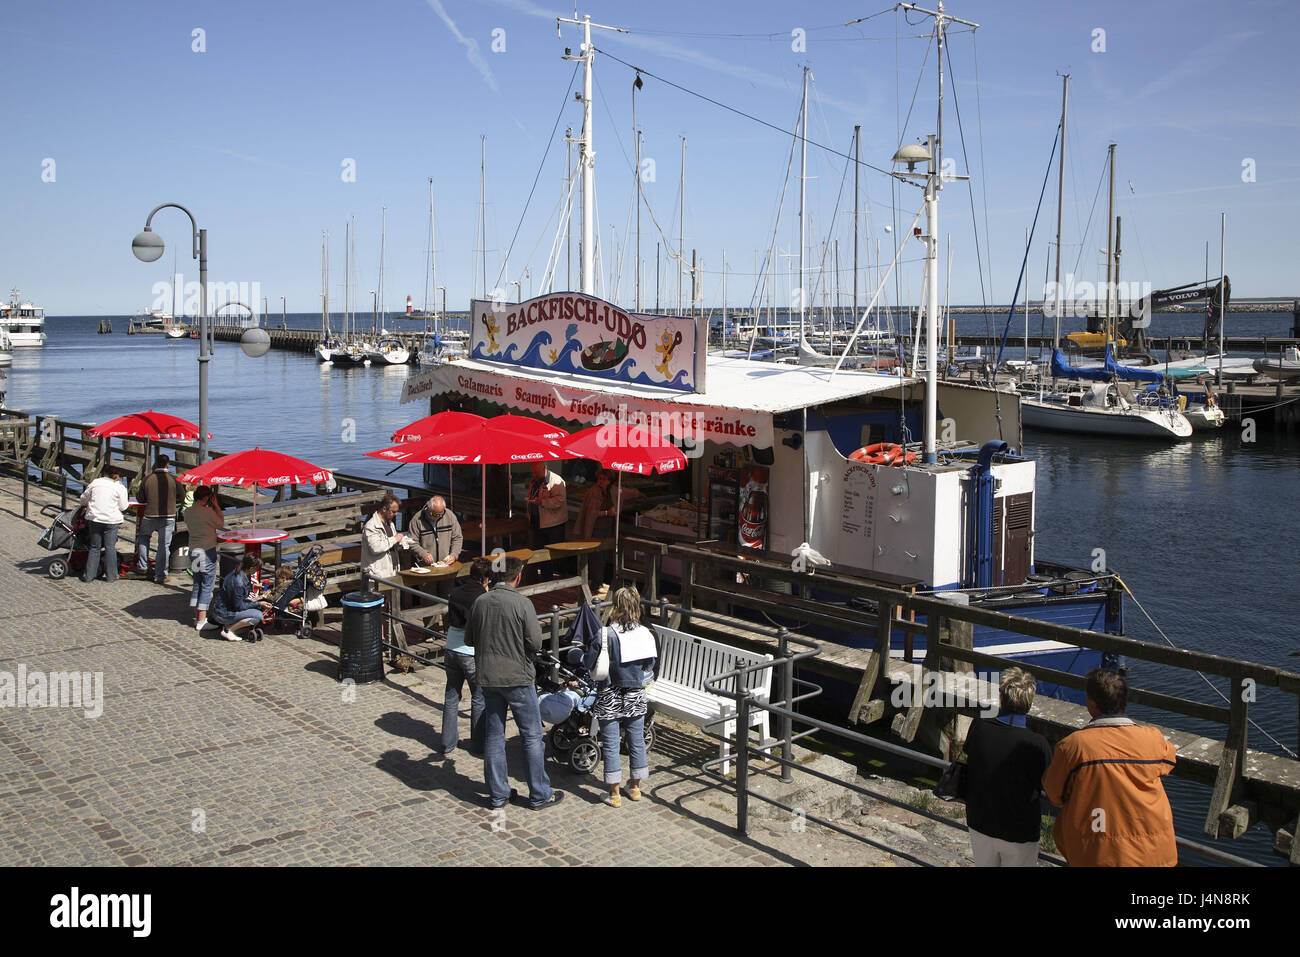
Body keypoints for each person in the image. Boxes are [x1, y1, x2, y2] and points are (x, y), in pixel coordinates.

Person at [1043, 668, 1178, 867]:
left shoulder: (1073, 747)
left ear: (1091, 704)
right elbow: (1169, 760)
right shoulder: (1152, 739)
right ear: (1123, 701)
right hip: (1153, 853)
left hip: (1099, 854)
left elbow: (1054, 794)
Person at [466, 556, 563, 811]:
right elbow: (535, 643)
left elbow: (470, 638)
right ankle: (539, 793)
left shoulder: (480, 602)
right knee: (531, 736)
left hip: (488, 677)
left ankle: (498, 794)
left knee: (494, 736)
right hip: (518, 677)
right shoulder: (522, 604)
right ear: (517, 577)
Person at [963, 667, 1053, 866]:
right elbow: (1049, 786)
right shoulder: (1038, 744)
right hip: (1019, 830)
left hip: (981, 821)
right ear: (1029, 703)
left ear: (1001, 698)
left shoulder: (979, 726)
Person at [583, 585, 657, 808]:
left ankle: (613, 793)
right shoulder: (645, 633)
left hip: (609, 691)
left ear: (615, 606)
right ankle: (635, 787)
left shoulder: (606, 634)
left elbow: (589, 661)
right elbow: (650, 665)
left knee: (611, 742)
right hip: (635, 690)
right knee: (636, 739)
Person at [440, 557, 492, 758]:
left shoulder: (455, 592)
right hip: (470, 652)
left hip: (451, 648)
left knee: (451, 696)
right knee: (479, 698)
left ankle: (447, 742)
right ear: (485, 579)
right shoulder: (482, 597)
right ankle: (478, 744)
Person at [361, 491, 408, 663]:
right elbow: (375, 548)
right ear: (384, 509)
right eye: (394, 511)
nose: (396, 515)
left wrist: (401, 544)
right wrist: (395, 539)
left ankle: (388, 642)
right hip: (377, 574)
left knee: (389, 608)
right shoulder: (371, 526)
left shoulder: (389, 523)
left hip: (391, 572)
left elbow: (390, 544)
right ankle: (376, 643)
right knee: (376, 610)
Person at [135, 453, 182, 584]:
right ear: (168, 464)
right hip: (168, 516)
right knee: (164, 545)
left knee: (144, 538)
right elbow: (182, 497)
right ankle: (160, 574)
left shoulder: (147, 479)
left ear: (156, 463)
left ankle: (142, 565)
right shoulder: (174, 479)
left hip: (150, 514)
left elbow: (140, 498)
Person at [183, 486, 225, 631]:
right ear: (207, 497)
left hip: (194, 550)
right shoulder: (207, 512)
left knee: (197, 582)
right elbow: (220, 523)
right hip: (206, 551)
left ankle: (197, 615)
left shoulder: (187, 512)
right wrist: (217, 506)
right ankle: (202, 620)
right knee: (207, 584)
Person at [80, 465, 128, 583]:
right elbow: (123, 506)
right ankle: (111, 576)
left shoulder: (95, 483)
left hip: (95, 518)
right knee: (110, 547)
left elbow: (83, 499)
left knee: (94, 547)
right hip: (111, 520)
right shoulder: (119, 487)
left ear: (103, 473)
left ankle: (89, 575)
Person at [209, 553, 272, 642]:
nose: (257, 571)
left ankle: (235, 626)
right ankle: (228, 630)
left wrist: (254, 587)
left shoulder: (237, 572)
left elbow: (239, 593)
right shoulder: (238, 583)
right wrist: (259, 604)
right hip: (225, 612)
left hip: (221, 608)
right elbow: (239, 606)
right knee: (258, 615)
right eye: (257, 569)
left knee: (255, 608)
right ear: (251, 569)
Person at [575, 469, 617, 595]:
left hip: (607, 528)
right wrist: (606, 513)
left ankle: (599, 581)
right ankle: (596, 583)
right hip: (596, 528)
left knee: (603, 556)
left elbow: (623, 493)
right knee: (596, 557)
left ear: (609, 481)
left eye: (604, 479)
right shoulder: (594, 492)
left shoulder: (610, 490)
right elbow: (591, 513)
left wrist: (637, 493)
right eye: (600, 479)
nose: (601, 481)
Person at [525, 462, 566, 576]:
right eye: (533, 472)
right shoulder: (534, 481)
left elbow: (560, 501)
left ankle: (559, 578)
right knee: (540, 552)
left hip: (553, 524)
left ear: (544, 469)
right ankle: (545, 578)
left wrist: (542, 502)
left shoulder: (557, 481)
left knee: (555, 553)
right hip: (537, 522)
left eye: (536, 472)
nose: (534, 474)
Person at [407, 494, 463, 566]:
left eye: (439, 514)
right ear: (428, 508)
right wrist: (423, 554)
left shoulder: (450, 516)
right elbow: (411, 541)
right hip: (425, 565)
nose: (436, 517)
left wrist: (454, 555)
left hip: (446, 564)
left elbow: (457, 538)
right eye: (433, 514)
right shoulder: (417, 519)